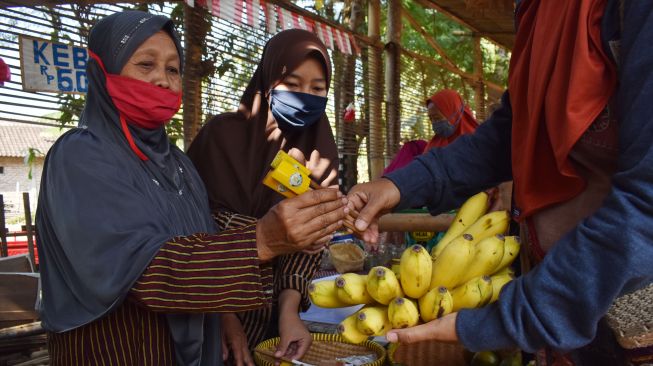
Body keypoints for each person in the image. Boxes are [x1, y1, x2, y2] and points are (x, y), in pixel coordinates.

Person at [346, 1, 653, 365]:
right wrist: (404, 184)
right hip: (554, 301)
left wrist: (515, 317)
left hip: (627, 307)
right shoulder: (539, 11)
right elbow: (512, 130)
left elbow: (646, 204)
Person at [35, 12, 348, 366]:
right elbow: (145, 270)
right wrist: (262, 239)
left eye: (172, 69)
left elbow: (202, 239)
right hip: (116, 349)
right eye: (146, 64)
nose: (163, 80)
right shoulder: (81, 157)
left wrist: (221, 316)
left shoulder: (177, 165)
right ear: (103, 70)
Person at [187, 29, 338, 365]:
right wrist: (223, 314)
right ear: (268, 80)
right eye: (293, 84)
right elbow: (192, 226)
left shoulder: (318, 152)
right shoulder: (220, 137)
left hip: (271, 324)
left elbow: (307, 247)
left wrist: (288, 310)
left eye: (318, 89)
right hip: (204, 311)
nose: (305, 96)